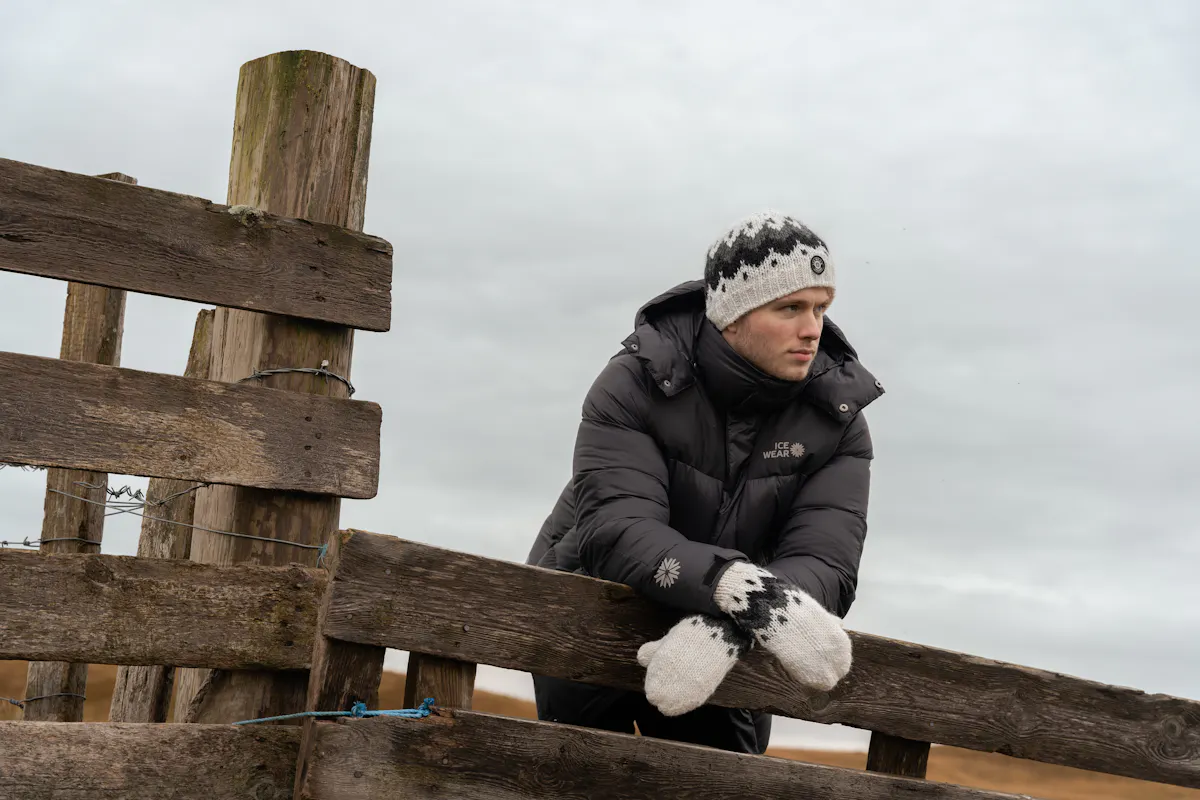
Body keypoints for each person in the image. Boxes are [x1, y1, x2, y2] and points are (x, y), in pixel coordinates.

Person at [525, 211, 883, 754]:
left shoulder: (838, 419)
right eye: (790, 308)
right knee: (578, 774)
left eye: (820, 308)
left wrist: (725, 629)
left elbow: (827, 563)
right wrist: (735, 588)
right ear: (731, 316)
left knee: (719, 780)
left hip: (728, 643)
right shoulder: (636, 381)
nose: (812, 329)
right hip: (593, 607)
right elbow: (619, 529)